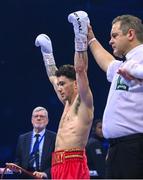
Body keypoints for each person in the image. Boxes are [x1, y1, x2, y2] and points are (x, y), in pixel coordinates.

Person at [35, 11, 94, 179]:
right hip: (57, 165)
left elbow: (81, 70)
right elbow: (53, 77)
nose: (58, 88)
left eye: (62, 84)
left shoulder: (83, 101)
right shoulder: (67, 103)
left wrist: (80, 33)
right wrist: (47, 53)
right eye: (58, 85)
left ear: (75, 84)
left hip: (74, 164)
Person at [86, 13, 143, 178]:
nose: (110, 41)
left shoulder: (137, 61)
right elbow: (108, 63)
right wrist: (91, 39)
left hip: (134, 148)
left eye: (115, 35)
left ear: (130, 34)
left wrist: (138, 71)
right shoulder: (125, 64)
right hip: (118, 149)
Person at [5, 106, 56, 179]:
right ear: (32, 120)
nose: (38, 118)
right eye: (36, 116)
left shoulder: (54, 138)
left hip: (44, 177)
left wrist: (45, 174)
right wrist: (14, 167)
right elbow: (18, 161)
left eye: (42, 116)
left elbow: (57, 164)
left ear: (47, 121)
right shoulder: (22, 138)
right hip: (25, 177)